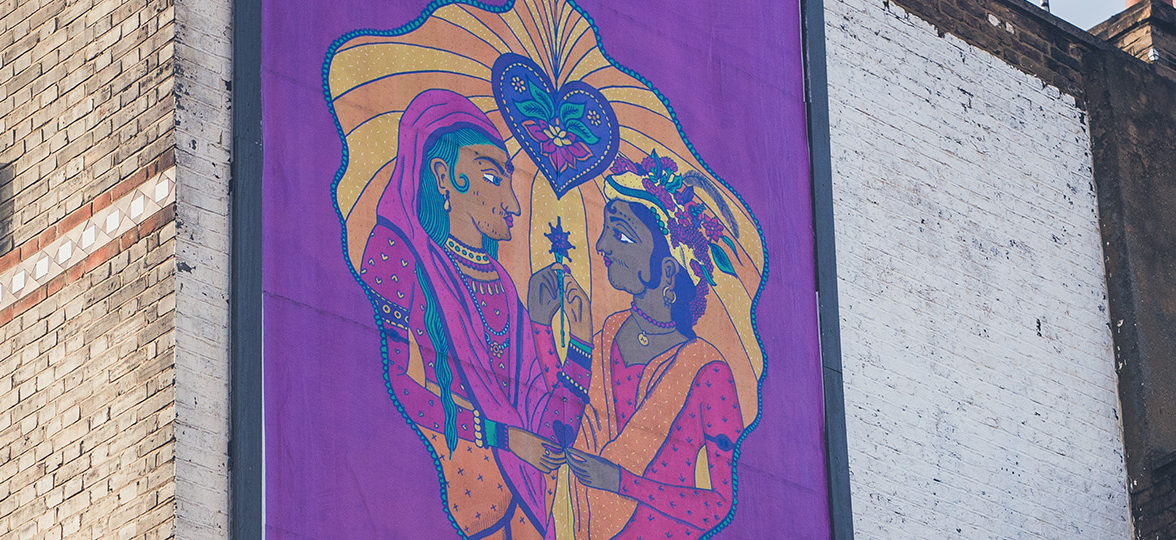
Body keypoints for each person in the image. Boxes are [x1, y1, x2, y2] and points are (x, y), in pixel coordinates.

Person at [357, 89, 592, 539]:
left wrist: (573, 340)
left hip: (518, 510)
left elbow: (550, 437)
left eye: (508, 179)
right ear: (443, 176)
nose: (513, 203)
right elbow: (386, 384)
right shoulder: (397, 252)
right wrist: (498, 435)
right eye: (490, 175)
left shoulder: (501, 284)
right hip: (439, 500)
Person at [545, 154, 753, 539]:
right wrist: (552, 329)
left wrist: (624, 483)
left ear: (669, 269)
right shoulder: (606, 335)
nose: (602, 246)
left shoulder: (707, 372)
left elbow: (723, 504)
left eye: (622, 236)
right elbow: (552, 431)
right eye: (606, 232)